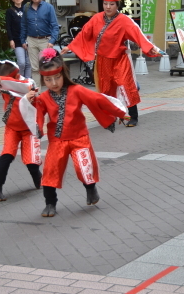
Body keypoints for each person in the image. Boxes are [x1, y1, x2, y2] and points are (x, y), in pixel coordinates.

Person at [27, 48, 127, 217]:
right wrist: (31, 108)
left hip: (79, 136)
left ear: (63, 74)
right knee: (50, 171)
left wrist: (120, 112)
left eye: (57, 77)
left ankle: (91, 189)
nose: (54, 82)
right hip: (57, 141)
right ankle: (50, 202)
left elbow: (98, 99)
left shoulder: (77, 90)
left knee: (84, 167)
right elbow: (36, 115)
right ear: (43, 79)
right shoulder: (42, 98)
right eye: (48, 79)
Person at [61, 0, 159, 127]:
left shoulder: (124, 21)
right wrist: (70, 46)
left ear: (117, 4)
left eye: (111, 4)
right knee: (106, 88)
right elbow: (84, 34)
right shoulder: (96, 18)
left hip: (121, 58)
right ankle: (109, 116)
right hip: (103, 59)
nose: (108, 7)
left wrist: (150, 47)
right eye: (105, 3)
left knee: (126, 85)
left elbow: (138, 34)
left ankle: (133, 116)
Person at [0, 60, 42, 202]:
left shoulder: (29, 83)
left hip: (29, 129)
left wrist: (1, 80)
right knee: (7, 154)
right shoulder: (3, 85)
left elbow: (24, 87)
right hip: (12, 126)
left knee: (31, 160)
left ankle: (37, 177)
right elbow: (5, 85)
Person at [20, 0, 59, 84]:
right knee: (34, 68)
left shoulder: (48, 7)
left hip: (45, 41)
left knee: (48, 66)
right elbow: (23, 25)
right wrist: (23, 40)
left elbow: (55, 25)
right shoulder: (26, 7)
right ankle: (37, 93)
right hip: (31, 40)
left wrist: (52, 41)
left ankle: (52, 88)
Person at [6, 0, 31, 78]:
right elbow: (8, 26)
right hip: (17, 40)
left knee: (29, 63)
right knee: (22, 63)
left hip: (28, 39)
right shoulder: (10, 11)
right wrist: (11, 39)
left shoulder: (27, 10)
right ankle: (20, 80)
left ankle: (27, 81)